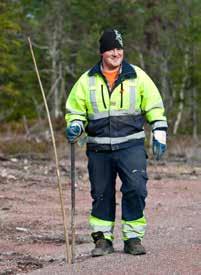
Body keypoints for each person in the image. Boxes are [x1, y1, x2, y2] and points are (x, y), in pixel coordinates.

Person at [65, 28, 167, 257]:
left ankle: (133, 238)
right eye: (111, 48)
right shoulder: (86, 81)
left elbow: (154, 105)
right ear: (102, 52)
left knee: (136, 188)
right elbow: (75, 111)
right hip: (99, 148)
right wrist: (75, 125)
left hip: (131, 146)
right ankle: (102, 239)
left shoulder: (137, 76)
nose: (116, 53)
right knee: (101, 193)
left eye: (119, 48)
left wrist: (159, 131)